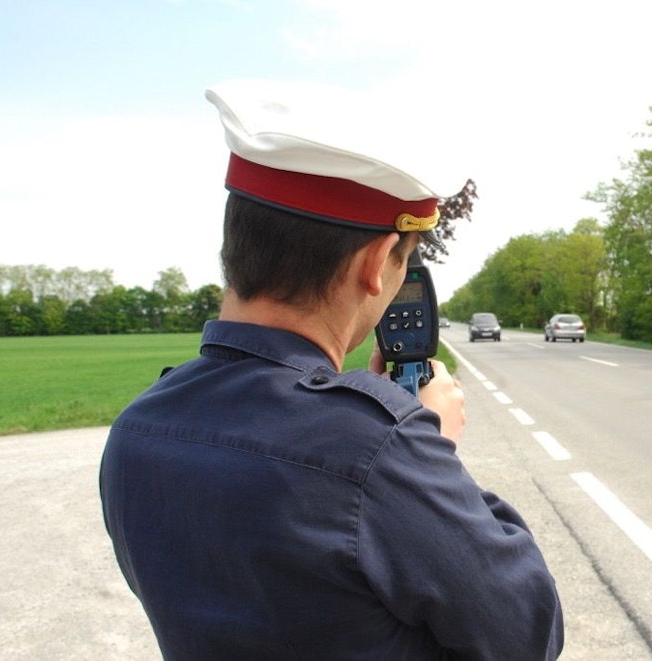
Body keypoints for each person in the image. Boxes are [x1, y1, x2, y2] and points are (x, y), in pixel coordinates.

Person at [99, 79, 564, 660]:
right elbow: (528, 635)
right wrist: (432, 450)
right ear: (376, 264)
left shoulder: (136, 428)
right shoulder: (376, 447)